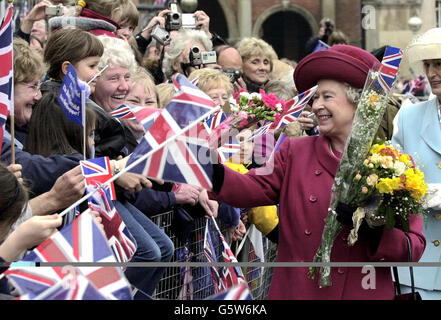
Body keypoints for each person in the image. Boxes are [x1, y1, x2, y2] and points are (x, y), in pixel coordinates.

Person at [208, 44, 426, 300]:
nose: (317, 105)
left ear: (358, 101)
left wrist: (375, 232)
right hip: (299, 292)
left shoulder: (392, 165)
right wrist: (207, 166)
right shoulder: (295, 152)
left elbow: (415, 247)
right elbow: (248, 188)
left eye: (327, 96)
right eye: (315, 98)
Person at [391, 27, 441, 300]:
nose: (432, 73)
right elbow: (392, 177)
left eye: (440, 64)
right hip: (418, 266)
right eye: (429, 65)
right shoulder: (408, 117)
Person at [7, 37, 45, 145]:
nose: (39, 96)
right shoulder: (3, 135)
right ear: (8, 87)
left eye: (39, 86)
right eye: (33, 86)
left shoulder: (34, 125)